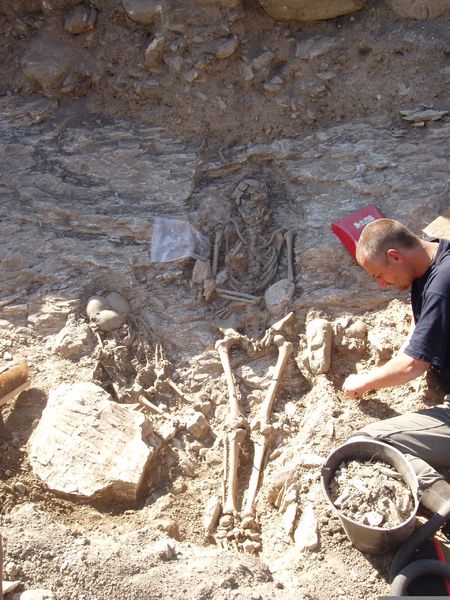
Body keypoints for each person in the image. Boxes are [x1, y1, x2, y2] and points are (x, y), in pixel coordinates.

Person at [342, 218, 450, 513]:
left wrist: (364, 381)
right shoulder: (432, 258)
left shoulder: (442, 285)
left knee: (367, 442)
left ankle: (444, 505)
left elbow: (412, 365)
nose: (381, 284)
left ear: (394, 256)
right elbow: (418, 332)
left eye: (379, 275)